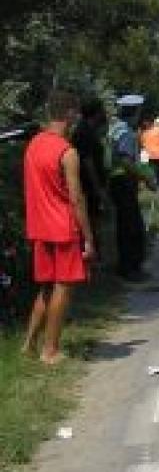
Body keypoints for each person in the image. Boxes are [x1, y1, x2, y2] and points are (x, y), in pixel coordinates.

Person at [22, 90, 94, 365]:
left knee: (46, 288)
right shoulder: (67, 151)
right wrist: (88, 238)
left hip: (39, 227)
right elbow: (76, 198)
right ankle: (50, 351)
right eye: (75, 114)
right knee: (63, 288)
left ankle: (29, 344)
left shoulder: (34, 144)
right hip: (62, 227)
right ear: (70, 114)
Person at [108, 94, 153, 283]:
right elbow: (126, 161)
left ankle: (124, 266)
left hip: (116, 180)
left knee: (124, 226)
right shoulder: (126, 132)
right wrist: (144, 177)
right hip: (124, 180)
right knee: (133, 227)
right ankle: (131, 268)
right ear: (135, 111)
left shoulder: (114, 129)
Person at [70, 96, 109, 263]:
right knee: (91, 221)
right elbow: (88, 162)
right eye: (102, 110)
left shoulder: (89, 130)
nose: (104, 114)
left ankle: (94, 255)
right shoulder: (84, 132)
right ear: (96, 113)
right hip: (87, 186)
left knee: (95, 220)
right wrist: (98, 188)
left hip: (90, 185)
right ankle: (91, 257)